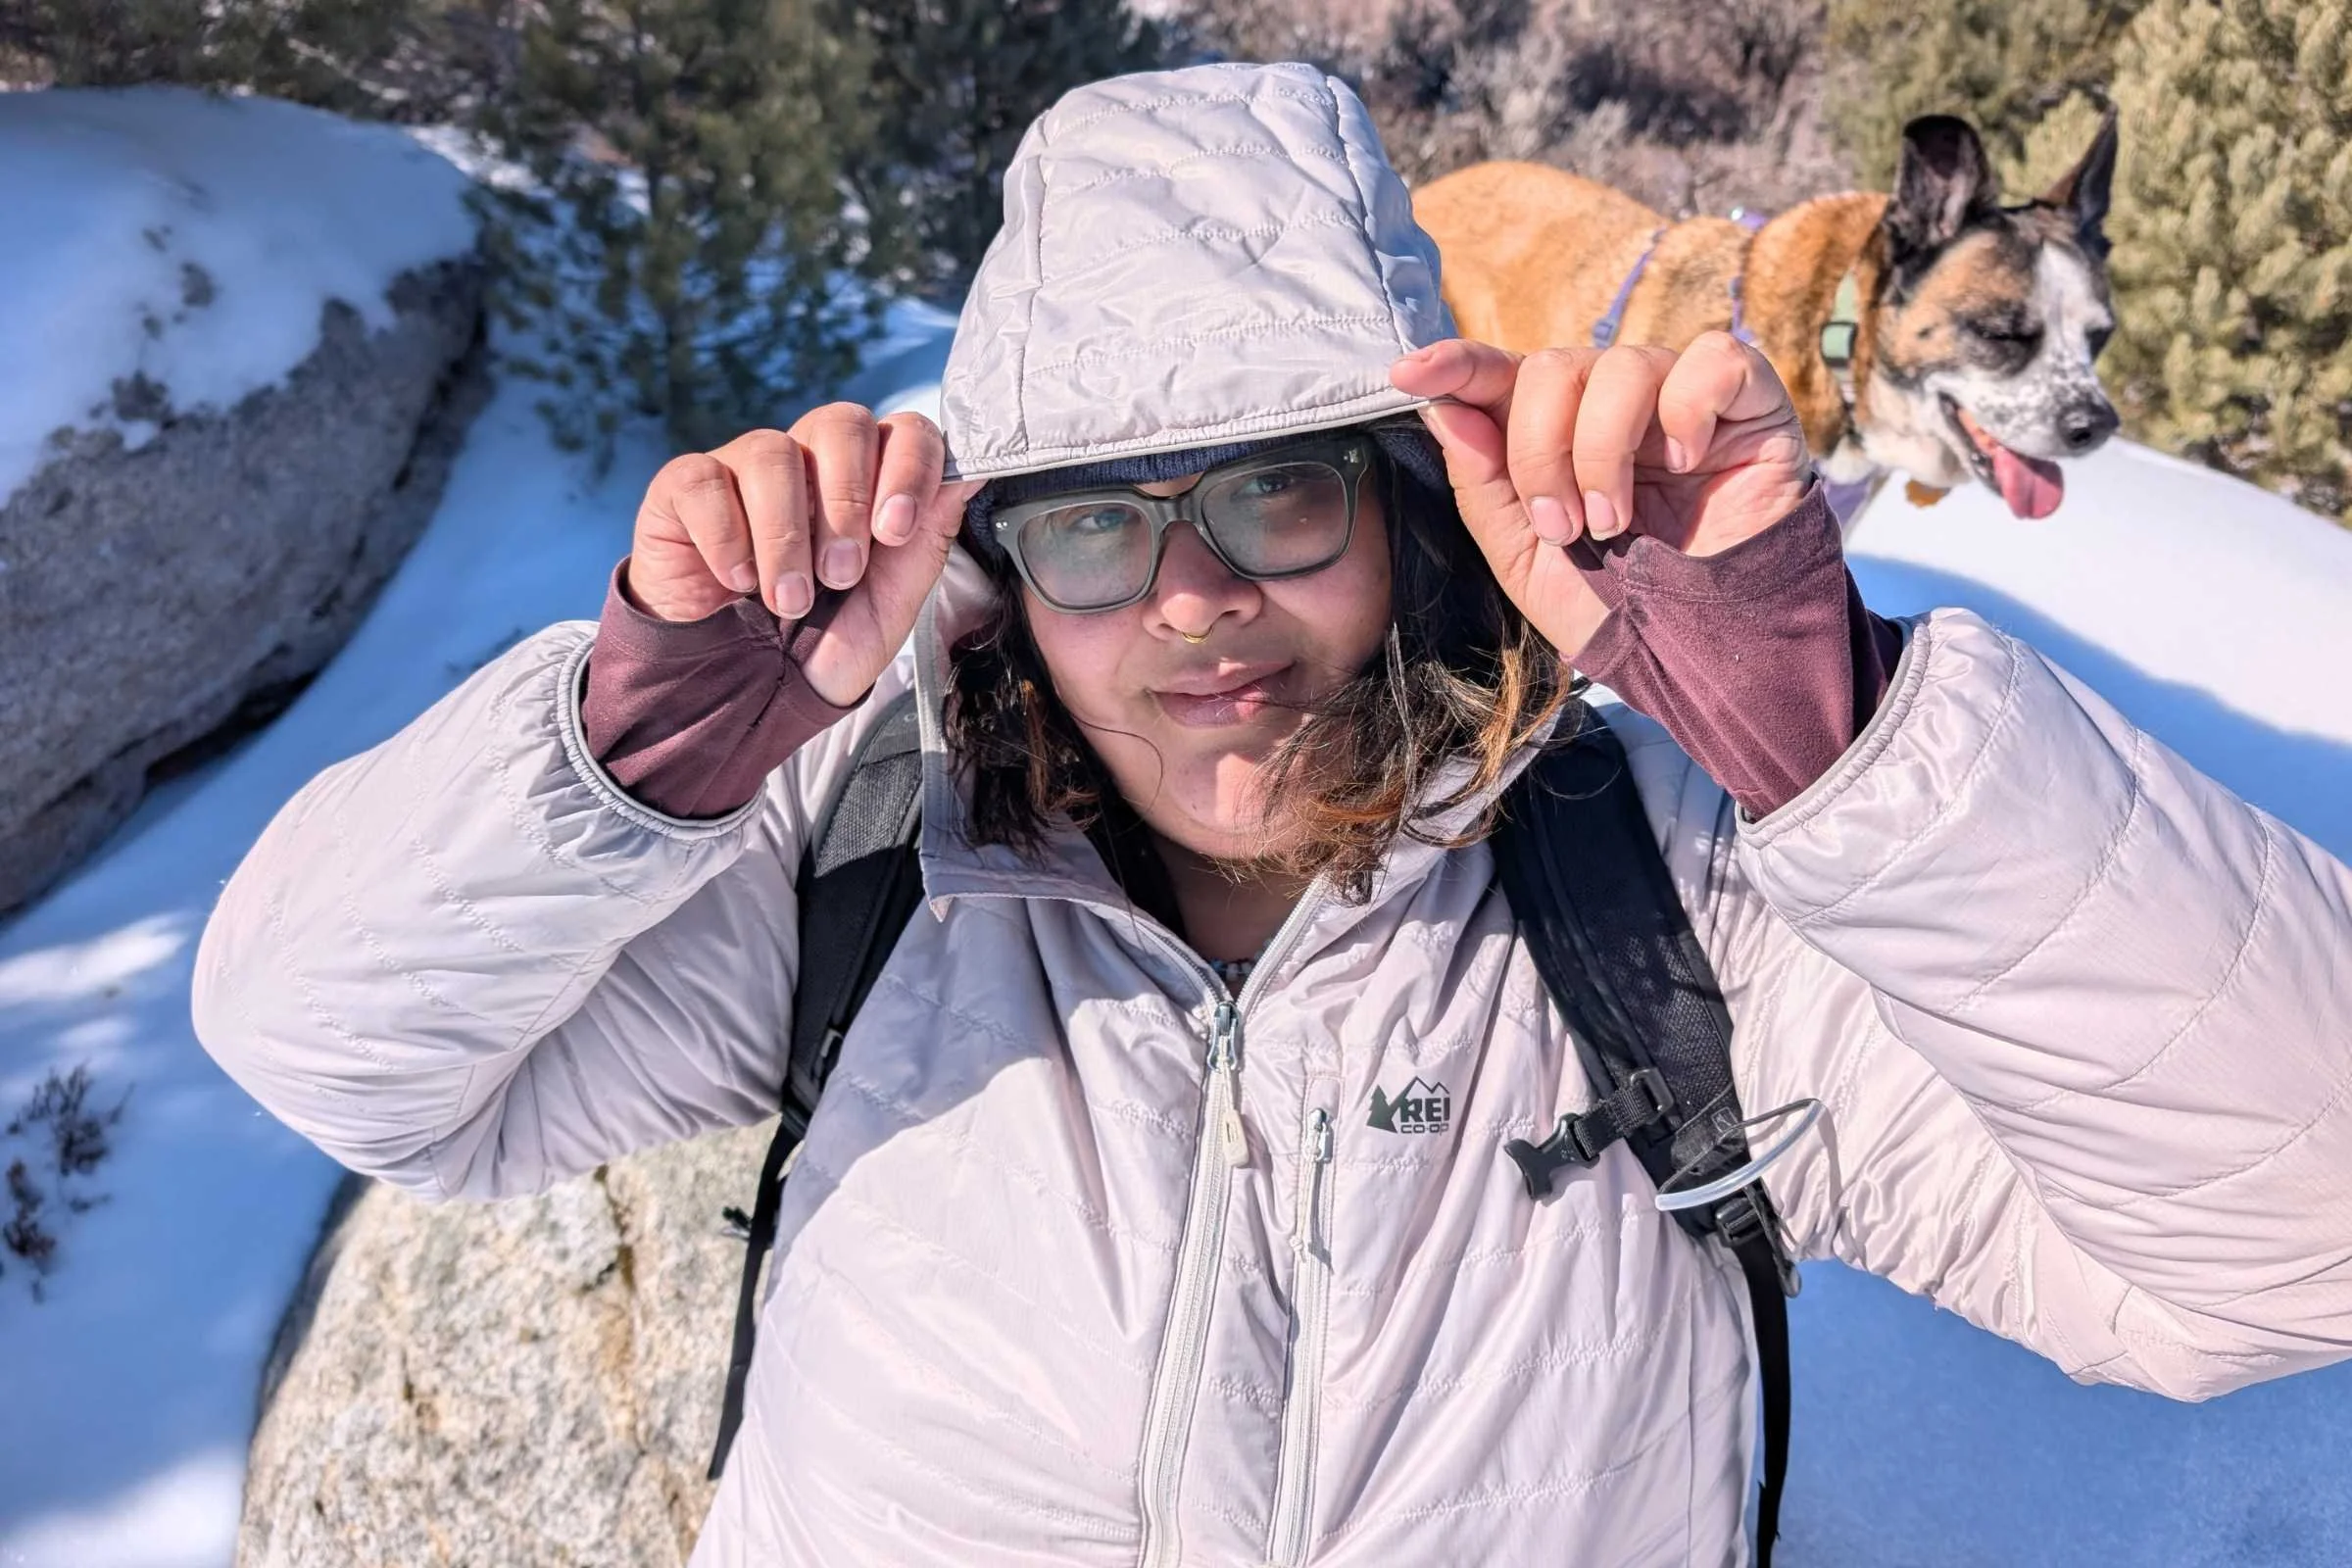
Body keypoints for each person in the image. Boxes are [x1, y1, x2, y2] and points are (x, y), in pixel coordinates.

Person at [193, 62, 2352, 1568]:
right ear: (1004, 571)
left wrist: (1849, 746)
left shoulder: (1659, 897)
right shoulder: (869, 870)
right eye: (1102, 531)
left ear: (1414, 512)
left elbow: (2294, 1238)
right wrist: (622, 762)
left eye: (1279, 489)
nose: (1200, 603)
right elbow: (331, 1047)